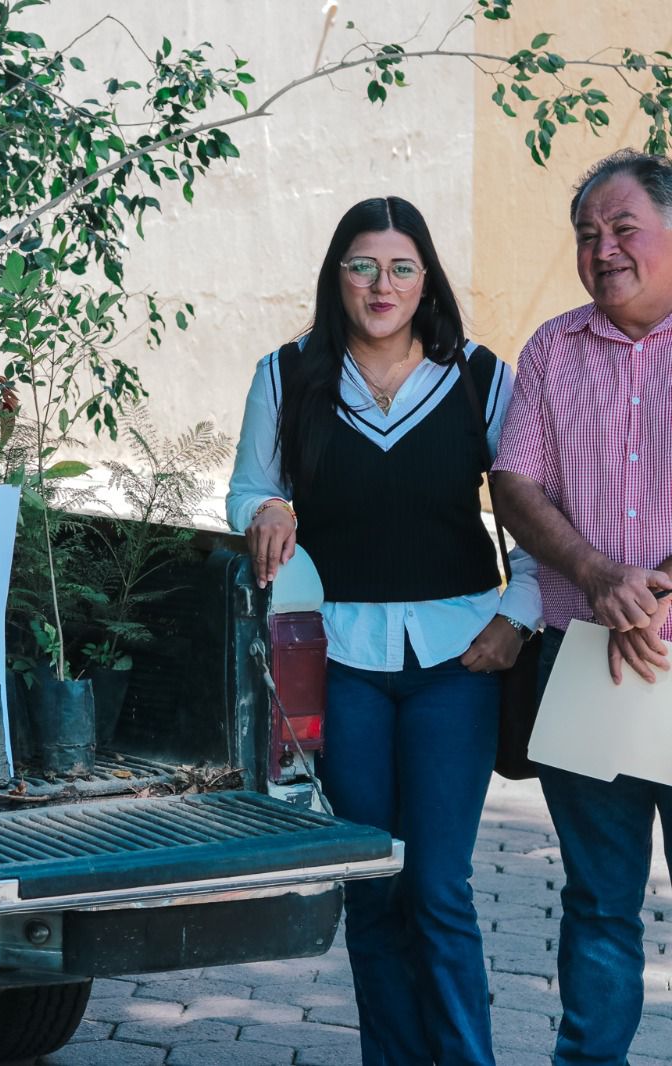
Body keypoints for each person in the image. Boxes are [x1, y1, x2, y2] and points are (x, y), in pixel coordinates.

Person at [227, 195, 541, 1066]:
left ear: (427, 279)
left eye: (402, 266)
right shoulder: (285, 375)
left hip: (459, 662)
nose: (381, 283)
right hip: (341, 661)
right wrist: (271, 506)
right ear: (337, 277)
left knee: (439, 887)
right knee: (372, 886)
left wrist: (516, 619)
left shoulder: (482, 377)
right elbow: (245, 489)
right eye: (362, 265)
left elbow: (537, 510)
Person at [492, 149, 672, 1065]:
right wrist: (601, 575)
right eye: (587, 235)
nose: (604, 249)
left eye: (623, 227)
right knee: (599, 900)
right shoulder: (555, 350)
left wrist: (654, 589)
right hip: (585, 663)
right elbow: (515, 481)